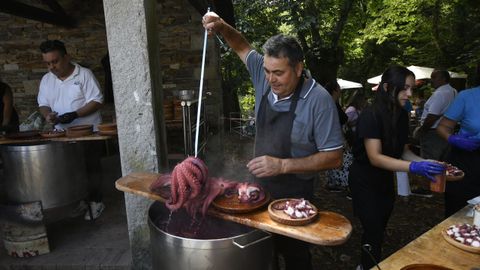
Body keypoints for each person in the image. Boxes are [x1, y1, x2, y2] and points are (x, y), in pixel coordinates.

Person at [203, 12, 344, 270]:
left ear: (298, 68)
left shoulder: (319, 100)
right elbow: (241, 45)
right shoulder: (263, 74)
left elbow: (334, 157)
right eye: (267, 71)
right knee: (261, 253)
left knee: (296, 257)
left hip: (296, 194)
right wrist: (222, 26)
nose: (270, 79)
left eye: (278, 73)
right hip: (259, 187)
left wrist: (281, 166)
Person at [348, 66, 446, 270]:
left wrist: (423, 162)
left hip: (384, 179)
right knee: (372, 227)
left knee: (381, 224)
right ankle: (366, 266)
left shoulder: (401, 115)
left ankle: (372, 260)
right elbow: (375, 157)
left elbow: (402, 151)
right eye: (404, 89)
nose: (409, 94)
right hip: (364, 179)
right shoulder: (370, 115)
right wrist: (414, 167)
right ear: (386, 87)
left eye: (411, 88)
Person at [37, 40, 105, 220]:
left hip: (89, 132)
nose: (52, 66)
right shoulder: (47, 79)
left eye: (55, 61)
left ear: (67, 57)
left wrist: (75, 114)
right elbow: (43, 104)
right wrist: (47, 115)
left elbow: (97, 101)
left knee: (91, 168)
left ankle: (96, 201)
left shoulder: (84, 75)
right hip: (62, 134)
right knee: (71, 170)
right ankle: (82, 201)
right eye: (48, 63)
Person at [437, 86, 480, 217]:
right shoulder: (467, 96)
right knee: (458, 212)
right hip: (467, 159)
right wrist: (452, 138)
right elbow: (443, 127)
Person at [416, 70, 457, 160]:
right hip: (446, 131)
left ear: (444, 79)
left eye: (434, 77)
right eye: (431, 77)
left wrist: (422, 131)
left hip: (433, 133)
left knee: (429, 162)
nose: (431, 80)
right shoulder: (453, 91)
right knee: (442, 161)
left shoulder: (440, 93)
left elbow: (432, 117)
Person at [324, 81, 352, 192]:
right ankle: (338, 183)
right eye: (339, 88)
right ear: (335, 90)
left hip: (338, 137)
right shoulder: (330, 103)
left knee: (341, 160)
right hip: (337, 137)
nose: (341, 91)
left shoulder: (333, 103)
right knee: (342, 160)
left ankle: (336, 182)